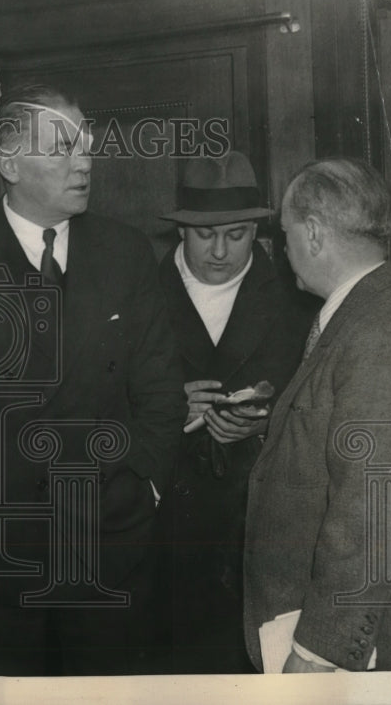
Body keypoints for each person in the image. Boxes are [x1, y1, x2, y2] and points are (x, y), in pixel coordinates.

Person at [0, 83, 186, 675]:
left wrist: (148, 484)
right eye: (62, 148)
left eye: (85, 144)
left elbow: (160, 387)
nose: (84, 160)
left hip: (111, 543)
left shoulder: (126, 252)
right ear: (9, 163)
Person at [244, 157, 391, 672]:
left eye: (283, 235)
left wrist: (317, 649)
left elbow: (370, 509)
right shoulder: (364, 313)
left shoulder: (376, 332)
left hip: (339, 646)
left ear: (312, 233)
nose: (282, 252)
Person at [152, 151, 314, 673]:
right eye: (205, 235)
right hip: (163, 534)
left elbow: (319, 408)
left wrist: (270, 423)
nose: (220, 251)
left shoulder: (298, 296)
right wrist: (163, 409)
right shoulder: (138, 292)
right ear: (181, 231)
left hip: (259, 531)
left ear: (259, 232)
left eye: (237, 235)